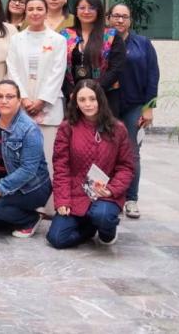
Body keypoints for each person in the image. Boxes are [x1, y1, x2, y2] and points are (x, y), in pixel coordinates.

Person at [46, 80, 135, 249]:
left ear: (100, 99)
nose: (88, 104)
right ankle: (89, 228)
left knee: (102, 215)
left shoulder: (118, 129)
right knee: (56, 239)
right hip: (76, 194)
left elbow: (126, 167)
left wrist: (112, 189)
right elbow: (61, 167)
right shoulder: (67, 128)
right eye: (82, 100)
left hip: (104, 194)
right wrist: (63, 200)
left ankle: (107, 233)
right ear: (76, 103)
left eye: (92, 99)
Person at [0, 80, 52, 238]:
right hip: (3, 183)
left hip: (31, 187)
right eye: (0, 96)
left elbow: (28, 170)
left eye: (9, 97)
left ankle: (31, 219)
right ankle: (13, 214)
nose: (4, 101)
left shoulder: (29, 129)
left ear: (19, 101)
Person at [6, 0, 67, 181]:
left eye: (39, 9)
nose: (34, 12)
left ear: (46, 12)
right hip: (22, 105)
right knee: (21, 156)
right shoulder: (16, 39)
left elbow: (58, 72)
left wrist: (41, 100)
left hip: (48, 105)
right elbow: (12, 69)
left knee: (48, 155)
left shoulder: (58, 40)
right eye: (30, 9)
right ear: (25, 12)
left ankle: (47, 206)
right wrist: (23, 98)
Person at [108, 3, 159, 219]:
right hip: (107, 105)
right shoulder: (103, 42)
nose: (120, 20)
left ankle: (131, 199)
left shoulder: (143, 44)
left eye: (124, 17)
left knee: (131, 153)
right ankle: (108, 195)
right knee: (104, 151)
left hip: (134, 105)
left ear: (130, 20)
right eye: (116, 16)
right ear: (109, 18)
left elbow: (153, 76)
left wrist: (148, 108)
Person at [62, 0, 126, 118]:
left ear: (99, 11)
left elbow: (117, 68)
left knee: (105, 135)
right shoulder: (64, 34)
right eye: (82, 8)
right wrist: (71, 92)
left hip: (105, 96)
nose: (86, 11)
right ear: (75, 10)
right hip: (73, 96)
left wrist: (93, 91)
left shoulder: (112, 35)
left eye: (91, 8)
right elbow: (57, 67)